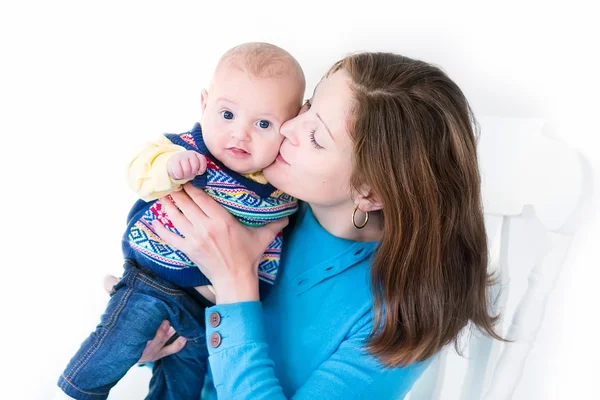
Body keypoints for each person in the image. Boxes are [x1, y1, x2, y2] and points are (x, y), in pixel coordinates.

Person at [140, 51, 507, 399]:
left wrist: (234, 281)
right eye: (310, 106)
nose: (287, 128)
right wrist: (150, 328)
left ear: (370, 192)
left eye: (316, 138)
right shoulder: (265, 199)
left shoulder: (402, 315)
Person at [56, 42, 304, 400]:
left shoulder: (283, 186)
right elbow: (138, 172)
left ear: (289, 129)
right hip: (154, 280)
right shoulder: (185, 151)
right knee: (118, 342)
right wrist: (168, 169)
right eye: (228, 115)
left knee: (183, 386)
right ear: (204, 104)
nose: (240, 133)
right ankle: (81, 391)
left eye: (263, 123)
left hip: (212, 313)